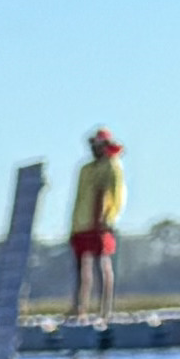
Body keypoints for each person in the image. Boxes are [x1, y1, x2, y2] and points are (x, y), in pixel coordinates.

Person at [70, 129, 126, 322]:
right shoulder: (86, 169)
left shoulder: (111, 166)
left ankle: (104, 310)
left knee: (102, 264)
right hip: (81, 224)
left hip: (100, 223)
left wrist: (104, 218)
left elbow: (110, 194)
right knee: (81, 267)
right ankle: (79, 308)